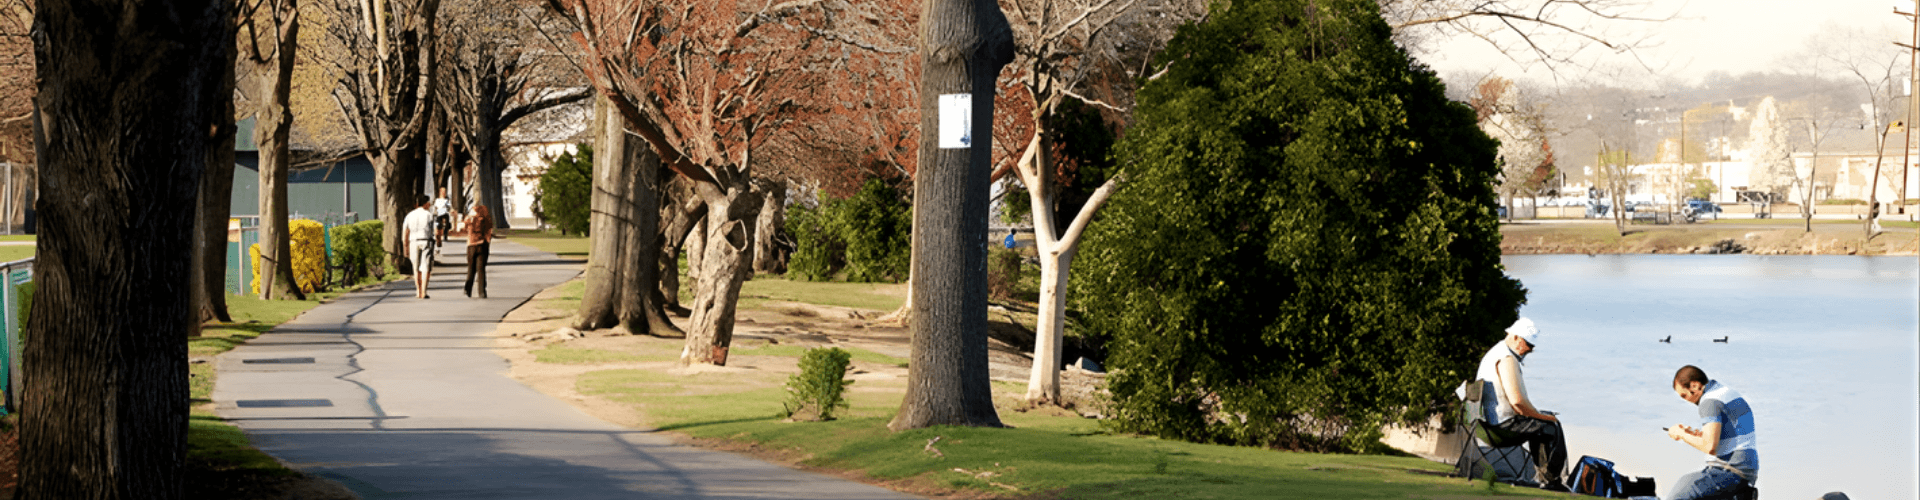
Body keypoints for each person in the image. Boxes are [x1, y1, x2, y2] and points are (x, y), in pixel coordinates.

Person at [1475, 317, 1569, 491]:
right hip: (1501, 427)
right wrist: (1545, 417)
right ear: (1516, 337)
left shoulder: (1495, 353)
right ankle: (1551, 480)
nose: (1529, 350)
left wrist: (1540, 415)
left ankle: (1545, 477)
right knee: (1551, 426)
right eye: (1529, 344)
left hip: (1487, 425)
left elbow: (1519, 405)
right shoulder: (1506, 358)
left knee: (1543, 423)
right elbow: (1517, 402)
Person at [1665, 365, 1758, 500]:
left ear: (1695, 386)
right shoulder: (1725, 392)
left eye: (1684, 395)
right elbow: (1733, 435)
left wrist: (1681, 433)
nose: (1686, 400)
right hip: (1746, 469)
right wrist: (1697, 435)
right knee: (1687, 482)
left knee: (1678, 494)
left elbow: (1709, 447)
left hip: (1730, 471)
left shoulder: (1709, 401)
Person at [402, 195, 436, 299]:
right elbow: (432, 230)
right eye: (428, 202)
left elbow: (405, 233)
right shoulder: (428, 215)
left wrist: (405, 247)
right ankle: (424, 291)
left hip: (413, 241)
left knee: (415, 267)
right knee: (425, 266)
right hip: (426, 240)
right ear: (425, 204)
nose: (429, 204)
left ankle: (418, 290)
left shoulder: (409, 215)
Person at [464, 204, 493, 298]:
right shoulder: (485, 217)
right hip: (482, 244)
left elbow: (464, 228)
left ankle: (468, 289)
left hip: (471, 245)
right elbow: (489, 231)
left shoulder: (470, 218)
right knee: (481, 270)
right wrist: (487, 242)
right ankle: (482, 291)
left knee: (471, 269)